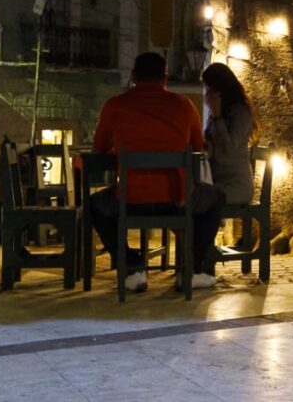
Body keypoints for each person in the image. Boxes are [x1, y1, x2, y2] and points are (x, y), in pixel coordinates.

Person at [91, 52, 224, 294]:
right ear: (165, 78)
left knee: (94, 205)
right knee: (216, 198)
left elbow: (99, 146)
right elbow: (196, 146)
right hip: (177, 200)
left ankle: (132, 267)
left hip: (131, 201)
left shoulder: (115, 105)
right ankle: (192, 269)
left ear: (132, 77)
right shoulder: (183, 105)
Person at [201, 62, 258, 206]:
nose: (207, 95)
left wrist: (218, 116)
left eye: (210, 90)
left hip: (236, 185)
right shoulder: (217, 115)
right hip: (216, 181)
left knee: (200, 199)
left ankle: (205, 226)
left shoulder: (241, 112)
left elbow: (230, 147)